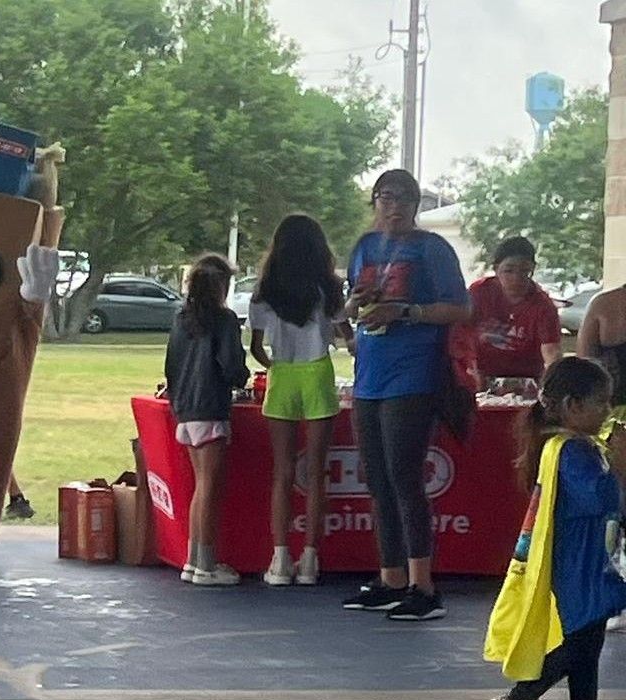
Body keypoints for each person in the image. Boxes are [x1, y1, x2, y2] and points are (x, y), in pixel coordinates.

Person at [341, 169, 470, 620]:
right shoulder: (364, 247)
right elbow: (350, 308)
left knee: (404, 477)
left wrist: (407, 311)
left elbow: (459, 307)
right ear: (374, 202)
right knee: (376, 479)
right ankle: (390, 577)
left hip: (413, 374)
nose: (392, 205)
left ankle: (423, 586)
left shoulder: (432, 249)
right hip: (370, 374)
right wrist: (356, 305)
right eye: (384, 197)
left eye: (402, 198)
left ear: (415, 205)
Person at [482, 357, 626, 700]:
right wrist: (619, 465)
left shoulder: (577, 446)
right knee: (580, 643)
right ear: (573, 406)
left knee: (589, 641)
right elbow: (599, 498)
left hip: (590, 560)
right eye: (600, 403)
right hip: (578, 564)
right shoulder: (570, 452)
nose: (607, 411)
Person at [248, 215, 346, 586]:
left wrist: (275, 365)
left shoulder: (265, 290)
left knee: (283, 472)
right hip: (318, 371)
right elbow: (344, 331)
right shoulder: (327, 287)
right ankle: (310, 559)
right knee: (317, 473)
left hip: (283, 374)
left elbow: (257, 348)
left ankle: (279, 558)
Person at [164, 254, 250, 587]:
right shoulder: (224, 320)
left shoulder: (180, 319)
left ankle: (193, 559)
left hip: (185, 408)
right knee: (209, 487)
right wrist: (240, 376)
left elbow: (171, 365)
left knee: (201, 486)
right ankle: (206, 563)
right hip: (211, 407)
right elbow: (231, 365)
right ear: (223, 285)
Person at [576, 285, 626, 632]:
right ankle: (611, 588)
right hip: (616, 419)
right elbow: (582, 372)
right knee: (615, 503)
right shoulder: (604, 305)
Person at [469, 236, 561, 382]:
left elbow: (551, 353)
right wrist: (471, 369)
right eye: (508, 271)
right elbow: (461, 335)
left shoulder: (543, 305)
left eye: (525, 271)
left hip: (527, 380)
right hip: (481, 376)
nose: (517, 278)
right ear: (496, 269)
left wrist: (550, 384)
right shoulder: (478, 293)